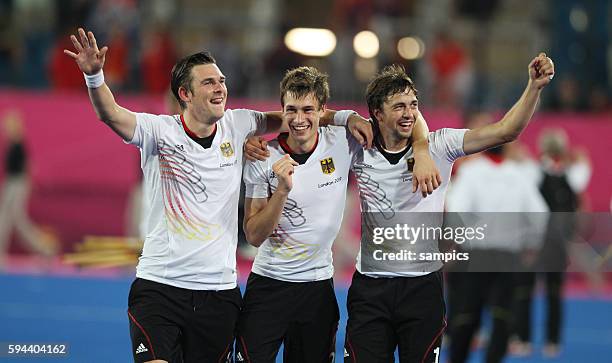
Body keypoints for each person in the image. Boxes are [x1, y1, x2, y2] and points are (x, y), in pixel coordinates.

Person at [63, 27, 373, 363]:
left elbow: (297, 116)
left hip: (219, 293)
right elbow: (110, 113)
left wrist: (346, 116)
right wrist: (94, 76)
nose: (220, 87)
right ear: (185, 93)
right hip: (160, 286)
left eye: (222, 81)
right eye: (209, 82)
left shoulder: (239, 124)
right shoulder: (158, 131)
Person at [342, 53, 554, 362]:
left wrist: (534, 87)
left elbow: (505, 130)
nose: (409, 114)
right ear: (377, 113)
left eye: (413, 105)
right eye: (399, 106)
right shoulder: (357, 147)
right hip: (370, 288)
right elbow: (308, 117)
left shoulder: (440, 146)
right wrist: (346, 117)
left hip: (422, 289)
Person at [237, 66, 435, 362]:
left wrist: (421, 149)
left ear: (322, 112)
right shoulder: (262, 155)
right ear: (281, 111)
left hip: (317, 289)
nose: (299, 119)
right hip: (268, 285)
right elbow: (253, 236)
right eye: (291, 110)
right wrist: (281, 191)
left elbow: (408, 116)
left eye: (308, 110)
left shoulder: (344, 141)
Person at [445, 143, 549, 363]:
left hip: (475, 257)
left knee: (464, 318)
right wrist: (531, 244)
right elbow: (540, 214)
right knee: (503, 318)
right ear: (508, 150)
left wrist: (454, 243)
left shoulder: (471, 172)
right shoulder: (519, 175)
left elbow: (455, 209)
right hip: (507, 257)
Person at [510, 128, 591, 358]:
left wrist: (522, 155)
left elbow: (517, 162)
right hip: (543, 242)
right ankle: (549, 341)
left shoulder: (534, 171)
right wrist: (574, 155)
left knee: (534, 291)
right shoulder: (570, 175)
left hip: (538, 242)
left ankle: (526, 339)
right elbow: (584, 162)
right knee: (541, 292)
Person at [0, 110, 58, 268]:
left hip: (17, 184)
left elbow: (28, 166)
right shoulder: (12, 144)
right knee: (8, 219)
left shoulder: (19, 144)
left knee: (14, 219)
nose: (5, 130)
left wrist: (29, 184)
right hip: (11, 183)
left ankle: (45, 248)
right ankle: (44, 248)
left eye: (8, 126)